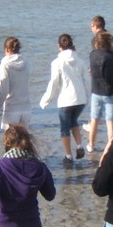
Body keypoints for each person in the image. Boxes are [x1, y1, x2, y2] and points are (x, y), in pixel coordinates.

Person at [38, 33, 92, 163]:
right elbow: (87, 80)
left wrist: (46, 99)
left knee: (64, 128)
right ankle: (79, 146)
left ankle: (68, 156)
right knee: (74, 121)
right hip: (80, 99)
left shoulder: (57, 62)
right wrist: (87, 97)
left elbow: (54, 83)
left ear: (59, 46)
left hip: (66, 100)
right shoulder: (81, 61)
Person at [86, 31, 113, 155]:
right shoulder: (111, 56)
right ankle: (111, 147)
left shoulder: (92, 55)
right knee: (110, 121)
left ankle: (91, 145)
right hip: (109, 92)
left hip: (96, 91)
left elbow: (93, 70)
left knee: (94, 119)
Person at [0, 36, 32, 130]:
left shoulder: (5, 65)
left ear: (6, 49)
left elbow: (4, 90)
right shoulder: (26, 62)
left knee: (10, 138)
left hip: (11, 109)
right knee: (24, 138)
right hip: (26, 109)